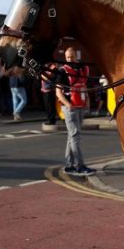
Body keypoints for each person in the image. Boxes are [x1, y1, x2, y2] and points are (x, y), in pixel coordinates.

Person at [55, 47, 94, 176]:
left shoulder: (83, 69)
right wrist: (68, 104)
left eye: (71, 57)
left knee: (72, 136)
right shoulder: (62, 71)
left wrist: (87, 100)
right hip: (69, 107)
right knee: (75, 135)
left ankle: (69, 165)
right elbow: (58, 92)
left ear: (76, 57)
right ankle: (79, 166)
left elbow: (84, 85)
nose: (69, 59)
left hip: (81, 105)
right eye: (67, 57)